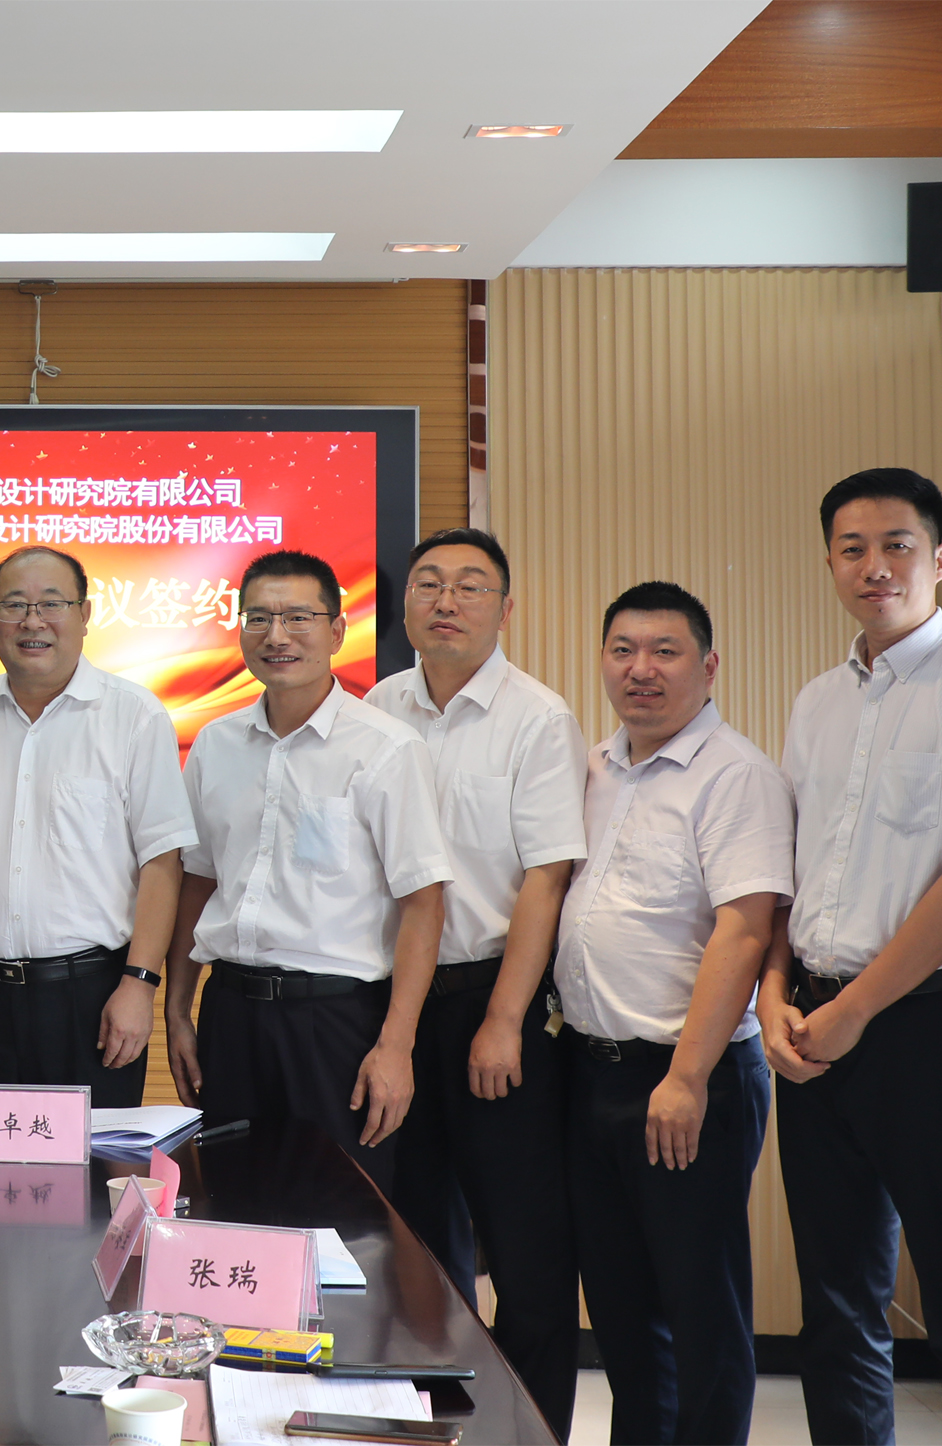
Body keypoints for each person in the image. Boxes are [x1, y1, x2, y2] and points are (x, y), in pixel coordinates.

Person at [763, 470, 942, 1445]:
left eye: (897, 545)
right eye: (853, 548)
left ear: (940, 558)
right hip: (813, 1019)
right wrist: (774, 998)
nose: (874, 566)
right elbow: (792, 873)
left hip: (931, 1021)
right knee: (837, 1299)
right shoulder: (816, 702)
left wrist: (853, 1011)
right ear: (830, 561)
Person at [558, 580, 790, 1446]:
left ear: (709, 665)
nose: (641, 669)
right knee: (622, 1310)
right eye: (623, 650)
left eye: (665, 651)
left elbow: (745, 928)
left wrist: (687, 1078)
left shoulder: (736, 775)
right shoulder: (595, 766)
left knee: (701, 1312)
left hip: (689, 1077)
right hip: (591, 1072)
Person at [369, 528, 585, 1442]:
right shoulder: (378, 706)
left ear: (506, 607)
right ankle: (432, 1425)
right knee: (417, 1245)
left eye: (469, 585)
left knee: (528, 1253)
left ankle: (527, 1433)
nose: (446, 601)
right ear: (405, 605)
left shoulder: (537, 718)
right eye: (428, 584)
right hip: (397, 1004)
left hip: (497, 998)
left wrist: (504, 1019)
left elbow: (547, 877)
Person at [164, 550, 452, 1183]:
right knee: (232, 1202)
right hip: (230, 1016)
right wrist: (178, 1011)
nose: (277, 635)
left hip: (336, 1023)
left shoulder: (385, 748)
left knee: (343, 1212)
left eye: (298, 617)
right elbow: (198, 882)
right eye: (259, 618)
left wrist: (396, 1045)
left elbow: (424, 904)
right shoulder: (214, 744)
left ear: (337, 631)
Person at [0, 546, 195, 1109]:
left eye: (52, 604)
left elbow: (161, 862)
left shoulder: (134, 715)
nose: (32, 621)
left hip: (93, 997)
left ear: (85, 615)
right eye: (14, 605)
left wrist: (139, 984)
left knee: (94, 1158)